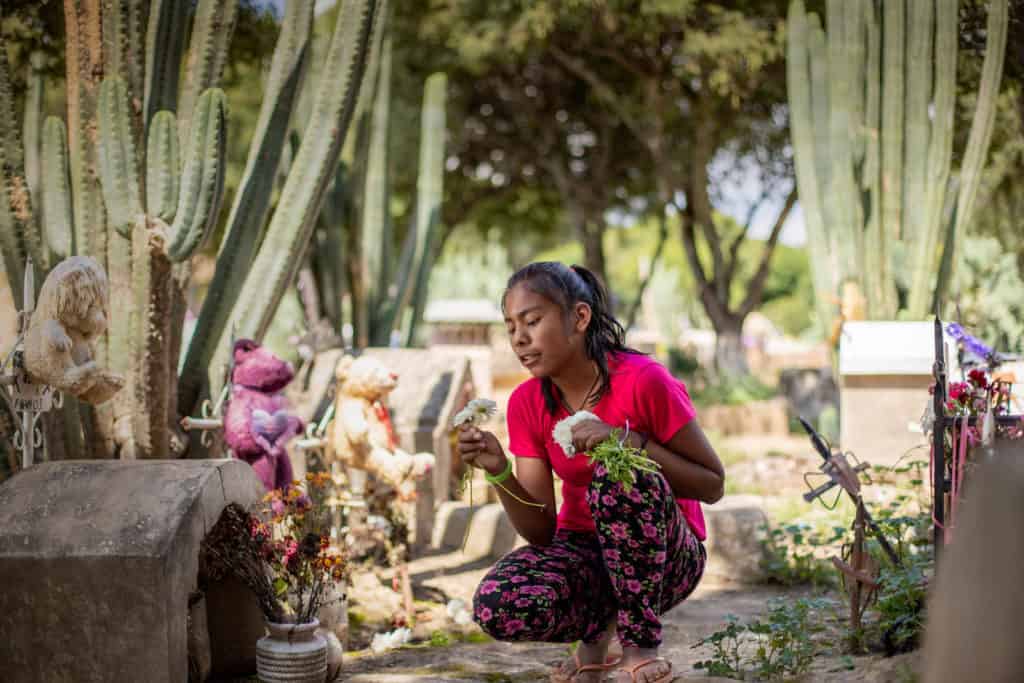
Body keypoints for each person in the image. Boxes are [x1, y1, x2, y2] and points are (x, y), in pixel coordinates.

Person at [457, 262, 725, 683]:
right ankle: (597, 636)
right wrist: (499, 472)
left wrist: (624, 441)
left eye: (532, 321)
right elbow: (542, 532)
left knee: (619, 479)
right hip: (584, 551)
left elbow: (712, 484)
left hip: (666, 558)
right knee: (500, 602)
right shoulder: (527, 402)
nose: (519, 339)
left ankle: (639, 648)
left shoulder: (643, 381)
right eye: (510, 327)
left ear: (579, 318)